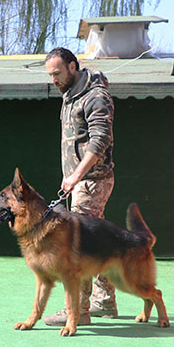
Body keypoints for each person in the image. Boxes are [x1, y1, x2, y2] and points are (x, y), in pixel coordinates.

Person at [43, 47, 117, 326]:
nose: (54, 79)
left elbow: (100, 141)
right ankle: (105, 301)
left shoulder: (96, 96)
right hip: (81, 181)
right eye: (50, 75)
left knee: (81, 245)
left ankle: (79, 311)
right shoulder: (70, 95)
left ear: (73, 66)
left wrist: (76, 176)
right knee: (97, 240)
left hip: (91, 181)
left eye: (58, 73)